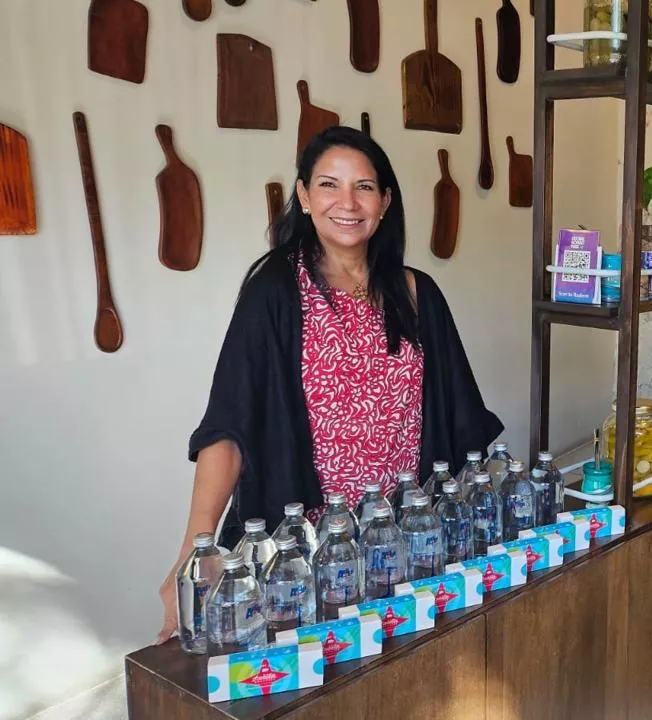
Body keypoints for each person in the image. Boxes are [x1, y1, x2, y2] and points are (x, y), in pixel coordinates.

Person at [155, 127, 503, 641]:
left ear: (385, 202)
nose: (348, 203)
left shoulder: (416, 295)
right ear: (303, 196)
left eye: (364, 187)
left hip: (408, 544)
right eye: (328, 185)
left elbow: (461, 424)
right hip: (307, 560)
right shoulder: (275, 293)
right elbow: (229, 425)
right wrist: (193, 553)